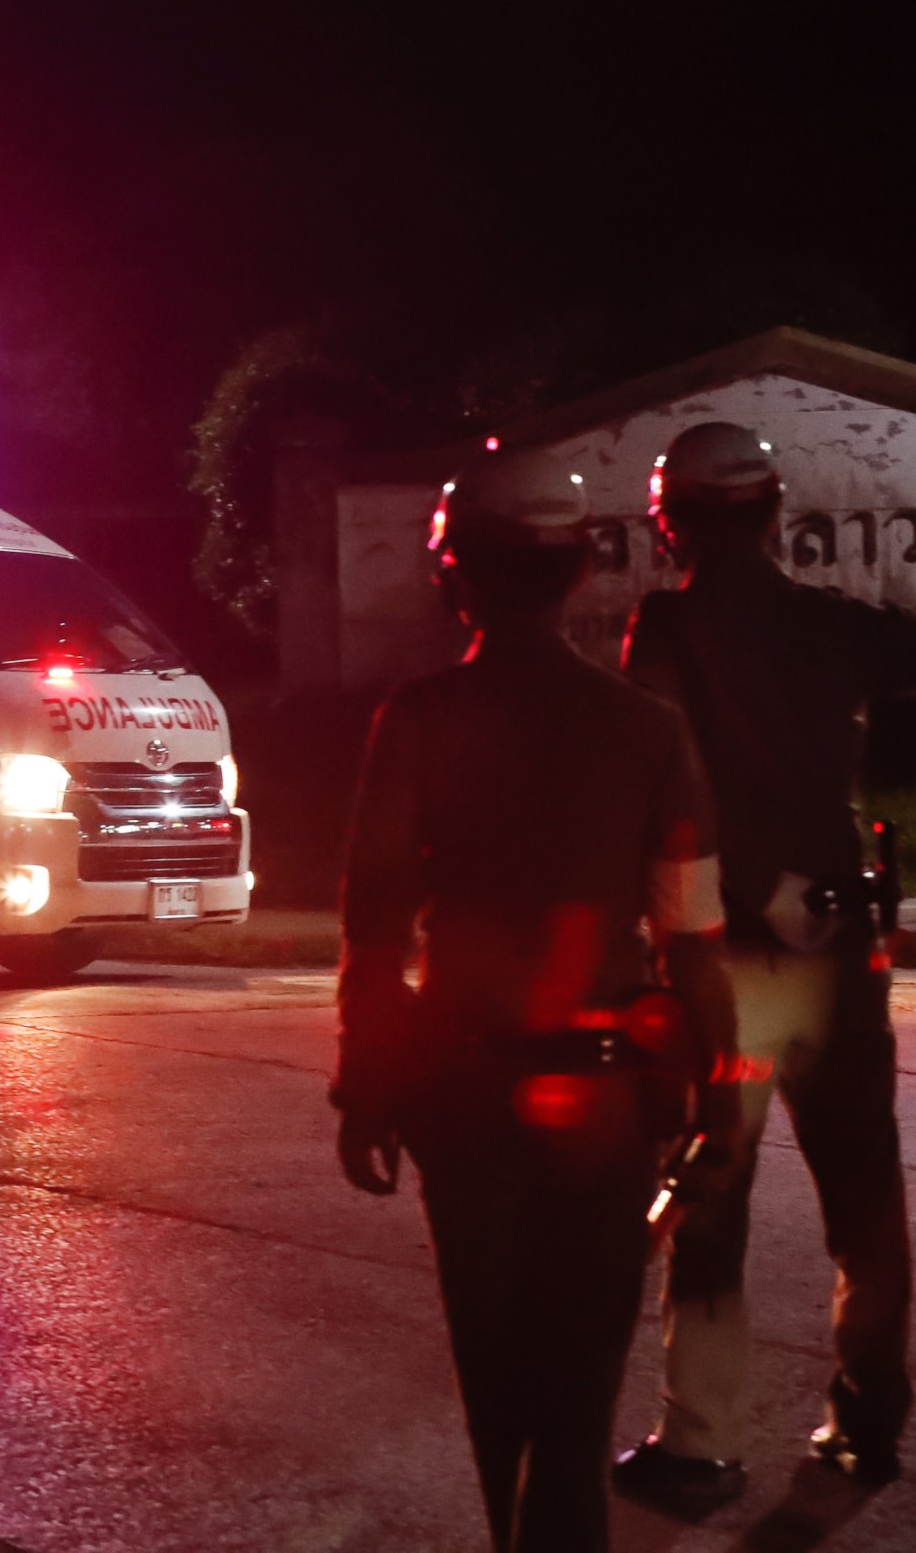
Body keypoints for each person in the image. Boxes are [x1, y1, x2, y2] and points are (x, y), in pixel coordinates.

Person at [613, 421, 916, 1513]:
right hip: (841, 956)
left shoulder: (666, 630)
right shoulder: (830, 625)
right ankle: (867, 1421)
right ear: (776, 513)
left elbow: (666, 783)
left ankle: (702, 1444)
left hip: (726, 965)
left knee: (710, 1204)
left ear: (669, 522)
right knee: (863, 1193)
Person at [335, 446, 741, 1553]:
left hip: (462, 1089)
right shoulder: (646, 729)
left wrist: (363, 1090)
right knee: (577, 1398)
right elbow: (693, 938)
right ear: (576, 571)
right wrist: (720, 1097)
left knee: (496, 1384)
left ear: (452, 575)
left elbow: (374, 935)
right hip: (608, 1101)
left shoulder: (419, 721)